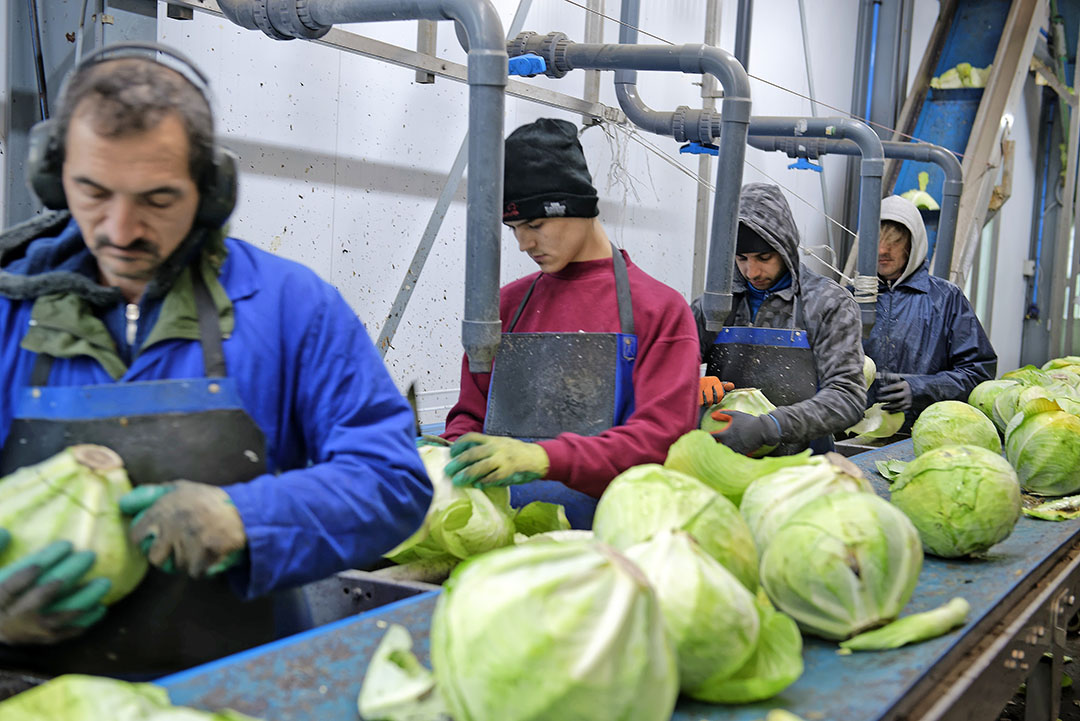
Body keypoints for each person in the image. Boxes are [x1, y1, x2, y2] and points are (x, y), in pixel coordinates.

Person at [0, 44, 431, 678]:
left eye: (157, 199)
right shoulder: (8, 309)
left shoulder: (291, 306)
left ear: (210, 190)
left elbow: (392, 480)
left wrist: (249, 519)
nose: (120, 230)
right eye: (92, 191)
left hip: (239, 693)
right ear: (52, 173)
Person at [436, 118, 701, 528]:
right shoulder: (504, 307)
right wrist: (446, 459)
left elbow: (658, 440)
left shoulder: (659, 310)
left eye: (535, 225)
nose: (524, 243)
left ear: (578, 208)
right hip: (499, 537)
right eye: (514, 229)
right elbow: (470, 416)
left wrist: (544, 458)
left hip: (613, 546)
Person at [693, 183, 866, 456]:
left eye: (764, 257)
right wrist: (688, 381)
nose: (752, 271)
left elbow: (847, 397)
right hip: (722, 460)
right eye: (741, 258)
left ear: (785, 247)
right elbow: (663, 367)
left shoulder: (827, 303)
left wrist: (770, 427)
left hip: (801, 468)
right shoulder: (717, 303)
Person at [864, 195, 996, 424]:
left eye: (894, 241)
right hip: (855, 431)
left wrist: (921, 390)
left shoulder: (946, 299)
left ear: (912, 245)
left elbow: (978, 372)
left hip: (923, 429)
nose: (883, 249)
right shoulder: (848, 296)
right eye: (877, 239)